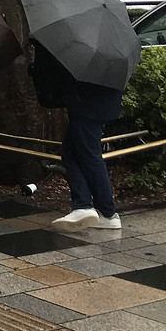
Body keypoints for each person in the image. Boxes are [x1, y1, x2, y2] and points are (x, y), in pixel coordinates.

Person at [31, 43, 124, 231]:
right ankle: (84, 204)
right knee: (70, 153)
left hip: (88, 104)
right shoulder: (112, 42)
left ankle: (105, 211)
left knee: (89, 155)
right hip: (97, 103)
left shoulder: (85, 40)